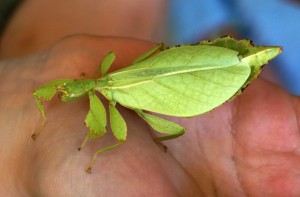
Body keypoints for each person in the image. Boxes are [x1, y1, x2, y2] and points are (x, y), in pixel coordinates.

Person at [0, 1, 299, 196]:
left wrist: (90, 153)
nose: (67, 92)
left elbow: (112, 135)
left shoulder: (105, 90)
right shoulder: (103, 74)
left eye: (67, 89)